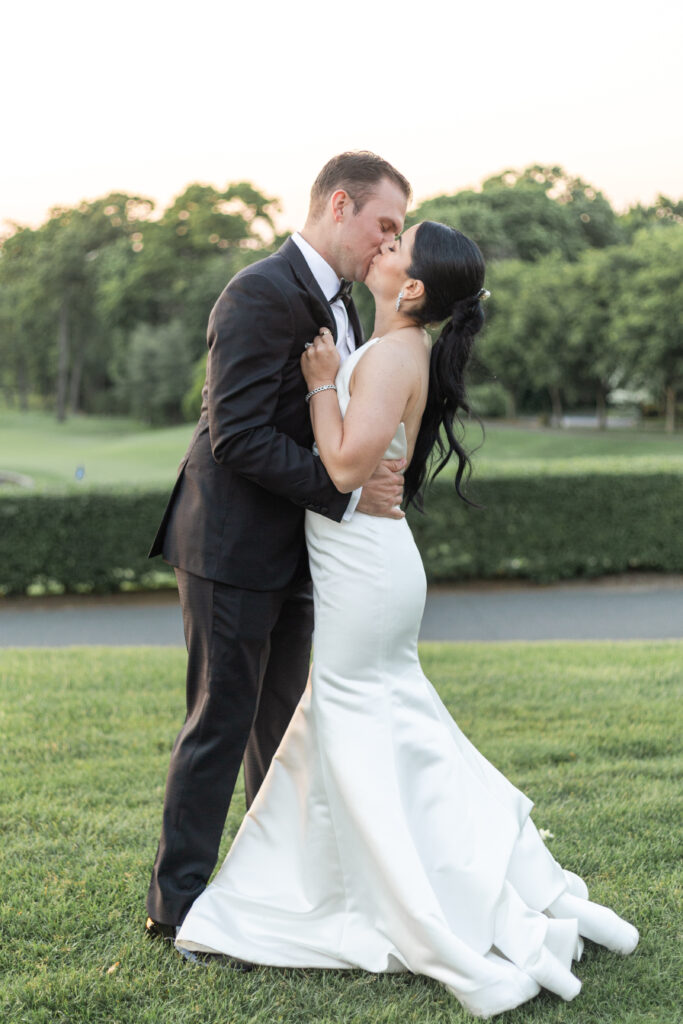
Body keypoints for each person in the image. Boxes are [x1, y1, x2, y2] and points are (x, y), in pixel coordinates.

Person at [175, 221, 639, 1017]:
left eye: (398, 244)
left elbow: (347, 467)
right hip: (368, 561)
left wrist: (323, 382)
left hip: (364, 568)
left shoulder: (391, 353)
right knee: (387, 725)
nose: (383, 247)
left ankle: (410, 894)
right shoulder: (396, 343)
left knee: (358, 724)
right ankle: (394, 873)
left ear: (414, 287)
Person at [144, 152, 412, 939]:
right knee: (220, 719)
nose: (390, 243)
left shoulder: (347, 306)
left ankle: (268, 883)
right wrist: (348, 490)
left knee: (282, 724)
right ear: (339, 204)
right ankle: (179, 906)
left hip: (297, 548)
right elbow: (237, 438)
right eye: (384, 224)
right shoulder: (259, 292)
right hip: (228, 546)